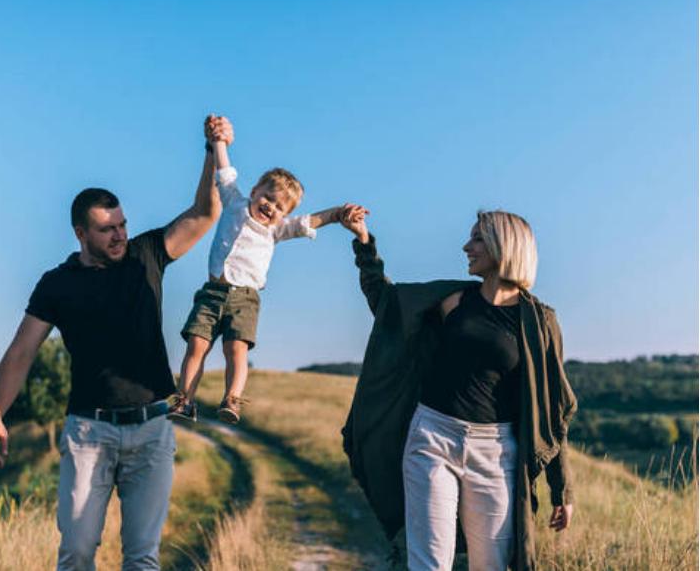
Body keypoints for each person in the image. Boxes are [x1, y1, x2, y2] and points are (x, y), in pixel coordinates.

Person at [0, 115, 233, 571]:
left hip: (152, 429)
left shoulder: (147, 254)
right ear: (81, 233)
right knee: (76, 553)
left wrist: (212, 150)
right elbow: (20, 354)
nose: (119, 235)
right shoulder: (57, 284)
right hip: (88, 433)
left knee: (142, 558)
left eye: (122, 224)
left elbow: (205, 213)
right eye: (106, 229)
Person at [339, 208, 577, 571]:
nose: (467, 246)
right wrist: (363, 241)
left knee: (492, 565)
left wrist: (562, 488)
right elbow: (387, 304)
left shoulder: (540, 322)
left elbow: (552, 408)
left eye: (477, 238)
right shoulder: (453, 301)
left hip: (496, 454)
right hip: (432, 438)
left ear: (504, 245)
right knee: (429, 563)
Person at [167, 124, 365, 424]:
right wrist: (219, 140)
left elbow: (310, 221)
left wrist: (338, 214)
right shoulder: (233, 201)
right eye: (268, 198)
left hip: (245, 298)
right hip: (211, 292)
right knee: (196, 344)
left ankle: (232, 400)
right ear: (254, 190)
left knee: (236, 349)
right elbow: (224, 169)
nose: (271, 207)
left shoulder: (277, 230)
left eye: (280, 207)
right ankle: (184, 401)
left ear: (284, 215)